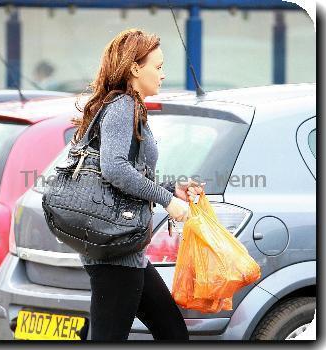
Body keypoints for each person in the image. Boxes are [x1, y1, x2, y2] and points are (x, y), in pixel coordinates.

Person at [71, 28, 205, 341]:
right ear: (135, 68)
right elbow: (115, 169)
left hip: (125, 250)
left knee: (172, 333)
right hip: (115, 252)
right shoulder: (123, 106)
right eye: (157, 67)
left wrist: (172, 190)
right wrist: (167, 201)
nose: (163, 74)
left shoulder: (123, 106)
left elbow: (129, 173)